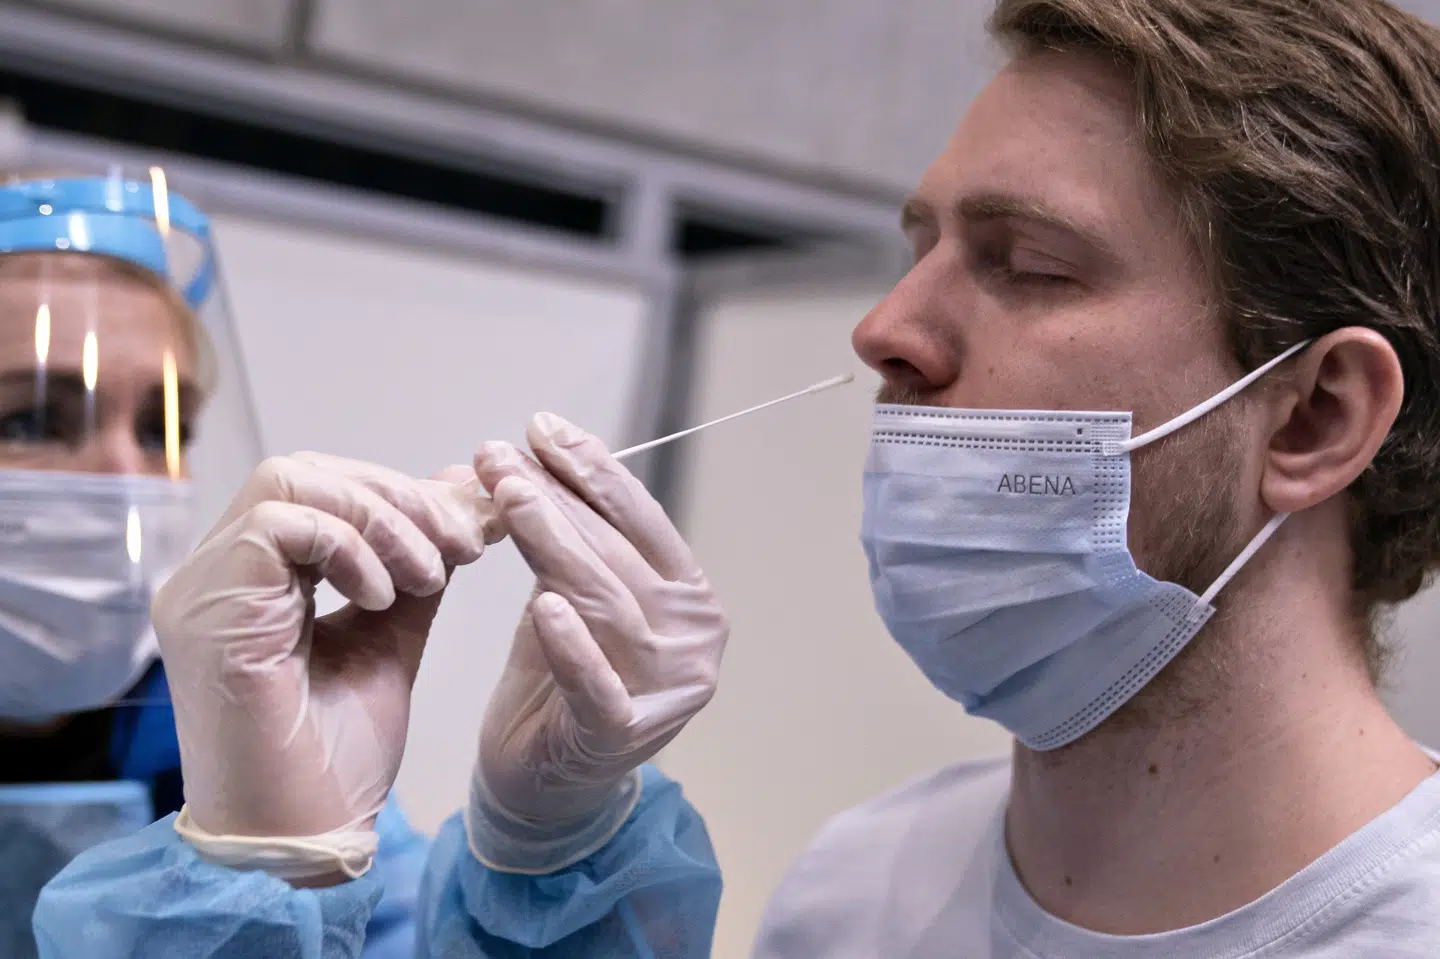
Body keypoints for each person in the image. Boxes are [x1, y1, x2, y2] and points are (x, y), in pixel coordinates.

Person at [33, 0, 1440, 955]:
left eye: (1028, 263)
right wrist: (373, 856)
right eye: (920, 246)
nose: (885, 328)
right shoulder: (857, 892)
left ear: (1313, 416)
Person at [0, 168, 475, 958]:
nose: (130, 480)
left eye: (163, 429)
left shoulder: (228, 743)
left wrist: (552, 846)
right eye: (30, 419)